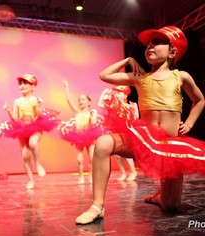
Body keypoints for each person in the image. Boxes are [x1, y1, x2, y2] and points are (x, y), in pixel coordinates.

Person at [75, 26, 205, 224]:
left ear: (172, 52)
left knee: (171, 206)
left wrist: (188, 123)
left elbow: (200, 100)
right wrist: (128, 60)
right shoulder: (140, 78)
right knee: (102, 143)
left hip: (169, 145)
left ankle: (159, 196)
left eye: (157, 43)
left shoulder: (181, 76)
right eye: (148, 44)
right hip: (143, 139)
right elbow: (104, 75)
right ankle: (97, 206)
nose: (149, 47)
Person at [3, 74, 60, 189]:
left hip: (35, 126)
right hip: (22, 128)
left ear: (32, 87)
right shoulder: (17, 102)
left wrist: (37, 107)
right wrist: (8, 110)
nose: (22, 86)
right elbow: (15, 118)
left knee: (33, 143)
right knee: (24, 155)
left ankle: (38, 164)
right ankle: (30, 180)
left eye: (25, 84)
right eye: (20, 84)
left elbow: (39, 116)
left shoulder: (36, 100)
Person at [58, 80, 103, 184]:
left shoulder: (91, 112)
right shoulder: (77, 112)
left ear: (89, 102)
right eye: (79, 100)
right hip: (78, 137)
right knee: (79, 159)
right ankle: (81, 176)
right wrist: (66, 87)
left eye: (83, 99)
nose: (80, 101)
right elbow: (69, 100)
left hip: (90, 137)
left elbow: (93, 122)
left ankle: (90, 176)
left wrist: (94, 114)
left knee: (92, 159)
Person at [98, 86, 138, 181]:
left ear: (125, 95)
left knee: (126, 154)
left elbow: (136, 119)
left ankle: (133, 171)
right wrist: (103, 93)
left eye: (119, 93)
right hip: (116, 131)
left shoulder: (129, 106)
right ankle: (123, 173)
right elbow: (100, 104)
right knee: (118, 156)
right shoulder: (113, 106)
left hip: (126, 132)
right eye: (116, 93)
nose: (116, 94)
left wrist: (135, 109)